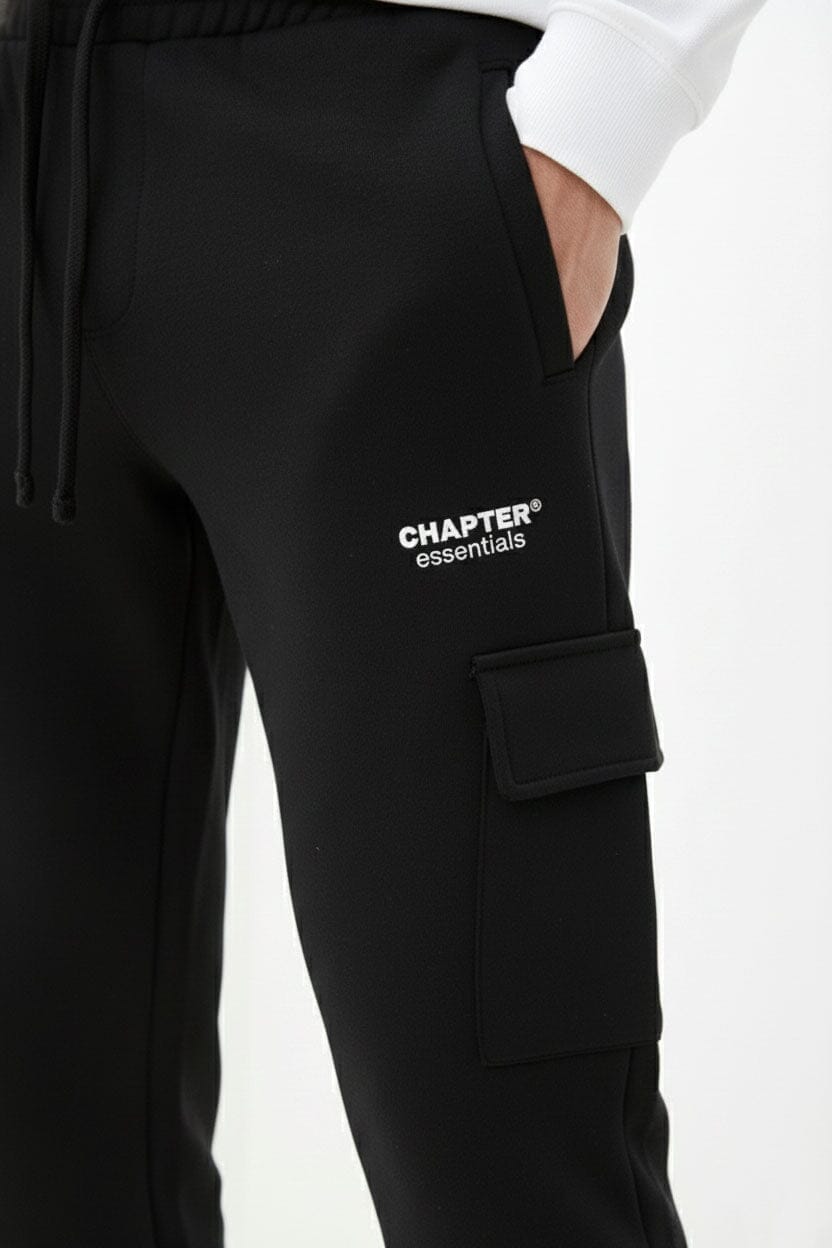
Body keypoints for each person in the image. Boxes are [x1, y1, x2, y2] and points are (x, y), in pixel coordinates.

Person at [0, 0, 766, 1244]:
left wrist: (610, 102)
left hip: (378, 147)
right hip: (19, 118)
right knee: (34, 1156)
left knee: (506, 1163)